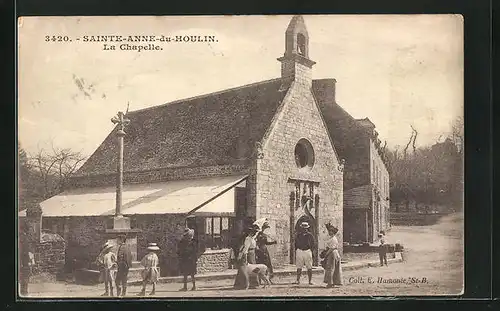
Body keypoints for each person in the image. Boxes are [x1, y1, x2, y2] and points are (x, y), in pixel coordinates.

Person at [322, 223, 343, 288]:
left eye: (331, 231)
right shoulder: (331, 238)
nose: (329, 232)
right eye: (329, 231)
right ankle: (333, 282)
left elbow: (332, 248)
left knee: (330, 268)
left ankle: (330, 283)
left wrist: (326, 255)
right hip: (333, 253)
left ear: (333, 232)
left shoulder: (334, 239)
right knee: (333, 267)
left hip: (332, 253)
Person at [19, 227, 34, 296]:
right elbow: (27, 251)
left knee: (25, 276)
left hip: (25, 260)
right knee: (25, 276)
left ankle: (24, 291)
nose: (32, 232)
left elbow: (30, 251)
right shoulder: (25, 239)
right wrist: (30, 261)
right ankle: (24, 292)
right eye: (31, 230)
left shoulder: (26, 238)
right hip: (25, 261)